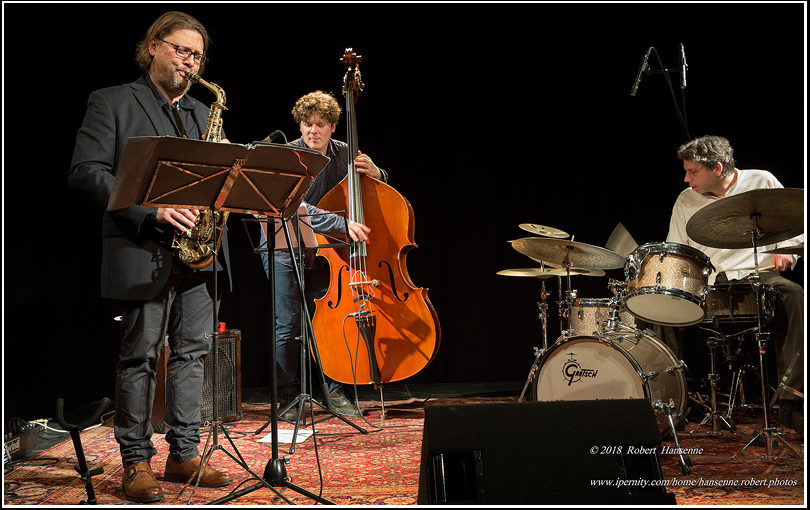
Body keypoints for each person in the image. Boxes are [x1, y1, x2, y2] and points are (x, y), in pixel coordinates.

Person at [68, 11, 233, 503]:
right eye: (181, 50)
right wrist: (151, 210)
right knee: (139, 356)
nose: (190, 62)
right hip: (142, 246)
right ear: (153, 47)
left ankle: (184, 453)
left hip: (199, 255)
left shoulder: (204, 114)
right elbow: (85, 173)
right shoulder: (113, 101)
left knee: (193, 355)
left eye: (197, 55)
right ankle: (135, 461)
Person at [260, 90, 387, 420]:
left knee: (328, 322)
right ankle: (288, 395)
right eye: (306, 124)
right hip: (286, 247)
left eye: (319, 125)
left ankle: (335, 390)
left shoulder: (345, 153)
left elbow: (377, 189)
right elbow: (295, 206)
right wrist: (342, 224)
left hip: (326, 252)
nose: (312, 131)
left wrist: (378, 174)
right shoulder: (288, 155)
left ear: (333, 127)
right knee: (287, 325)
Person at [666, 135, 804, 434]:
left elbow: (798, 222)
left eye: (693, 172)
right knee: (661, 307)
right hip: (712, 281)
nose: (686, 177)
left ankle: (793, 400)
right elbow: (677, 249)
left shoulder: (761, 181)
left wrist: (786, 249)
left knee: (796, 298)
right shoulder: (685, 199)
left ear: (717, 168)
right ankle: (671, 401)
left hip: (759, 274)